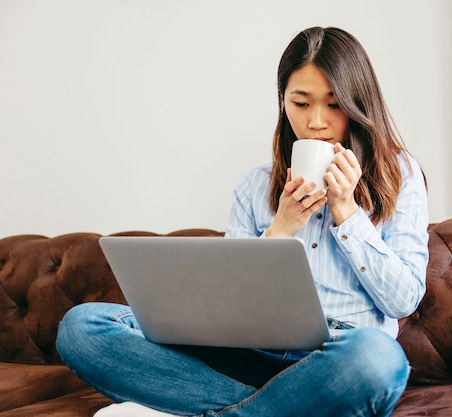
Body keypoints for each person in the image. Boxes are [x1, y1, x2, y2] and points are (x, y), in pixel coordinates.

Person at [56, 26, 429, 417]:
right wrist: (281, 229)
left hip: (337, 359)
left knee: (378, 359)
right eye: (301, 104)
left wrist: (346, 212)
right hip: (247, 358)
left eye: (334, 105)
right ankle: (267, 409)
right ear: (283, 103)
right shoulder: (253, 187)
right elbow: (226, 309)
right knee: (82, 327)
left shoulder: (399, 175)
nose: (316, 122)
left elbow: (402, 301)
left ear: (358, 104)